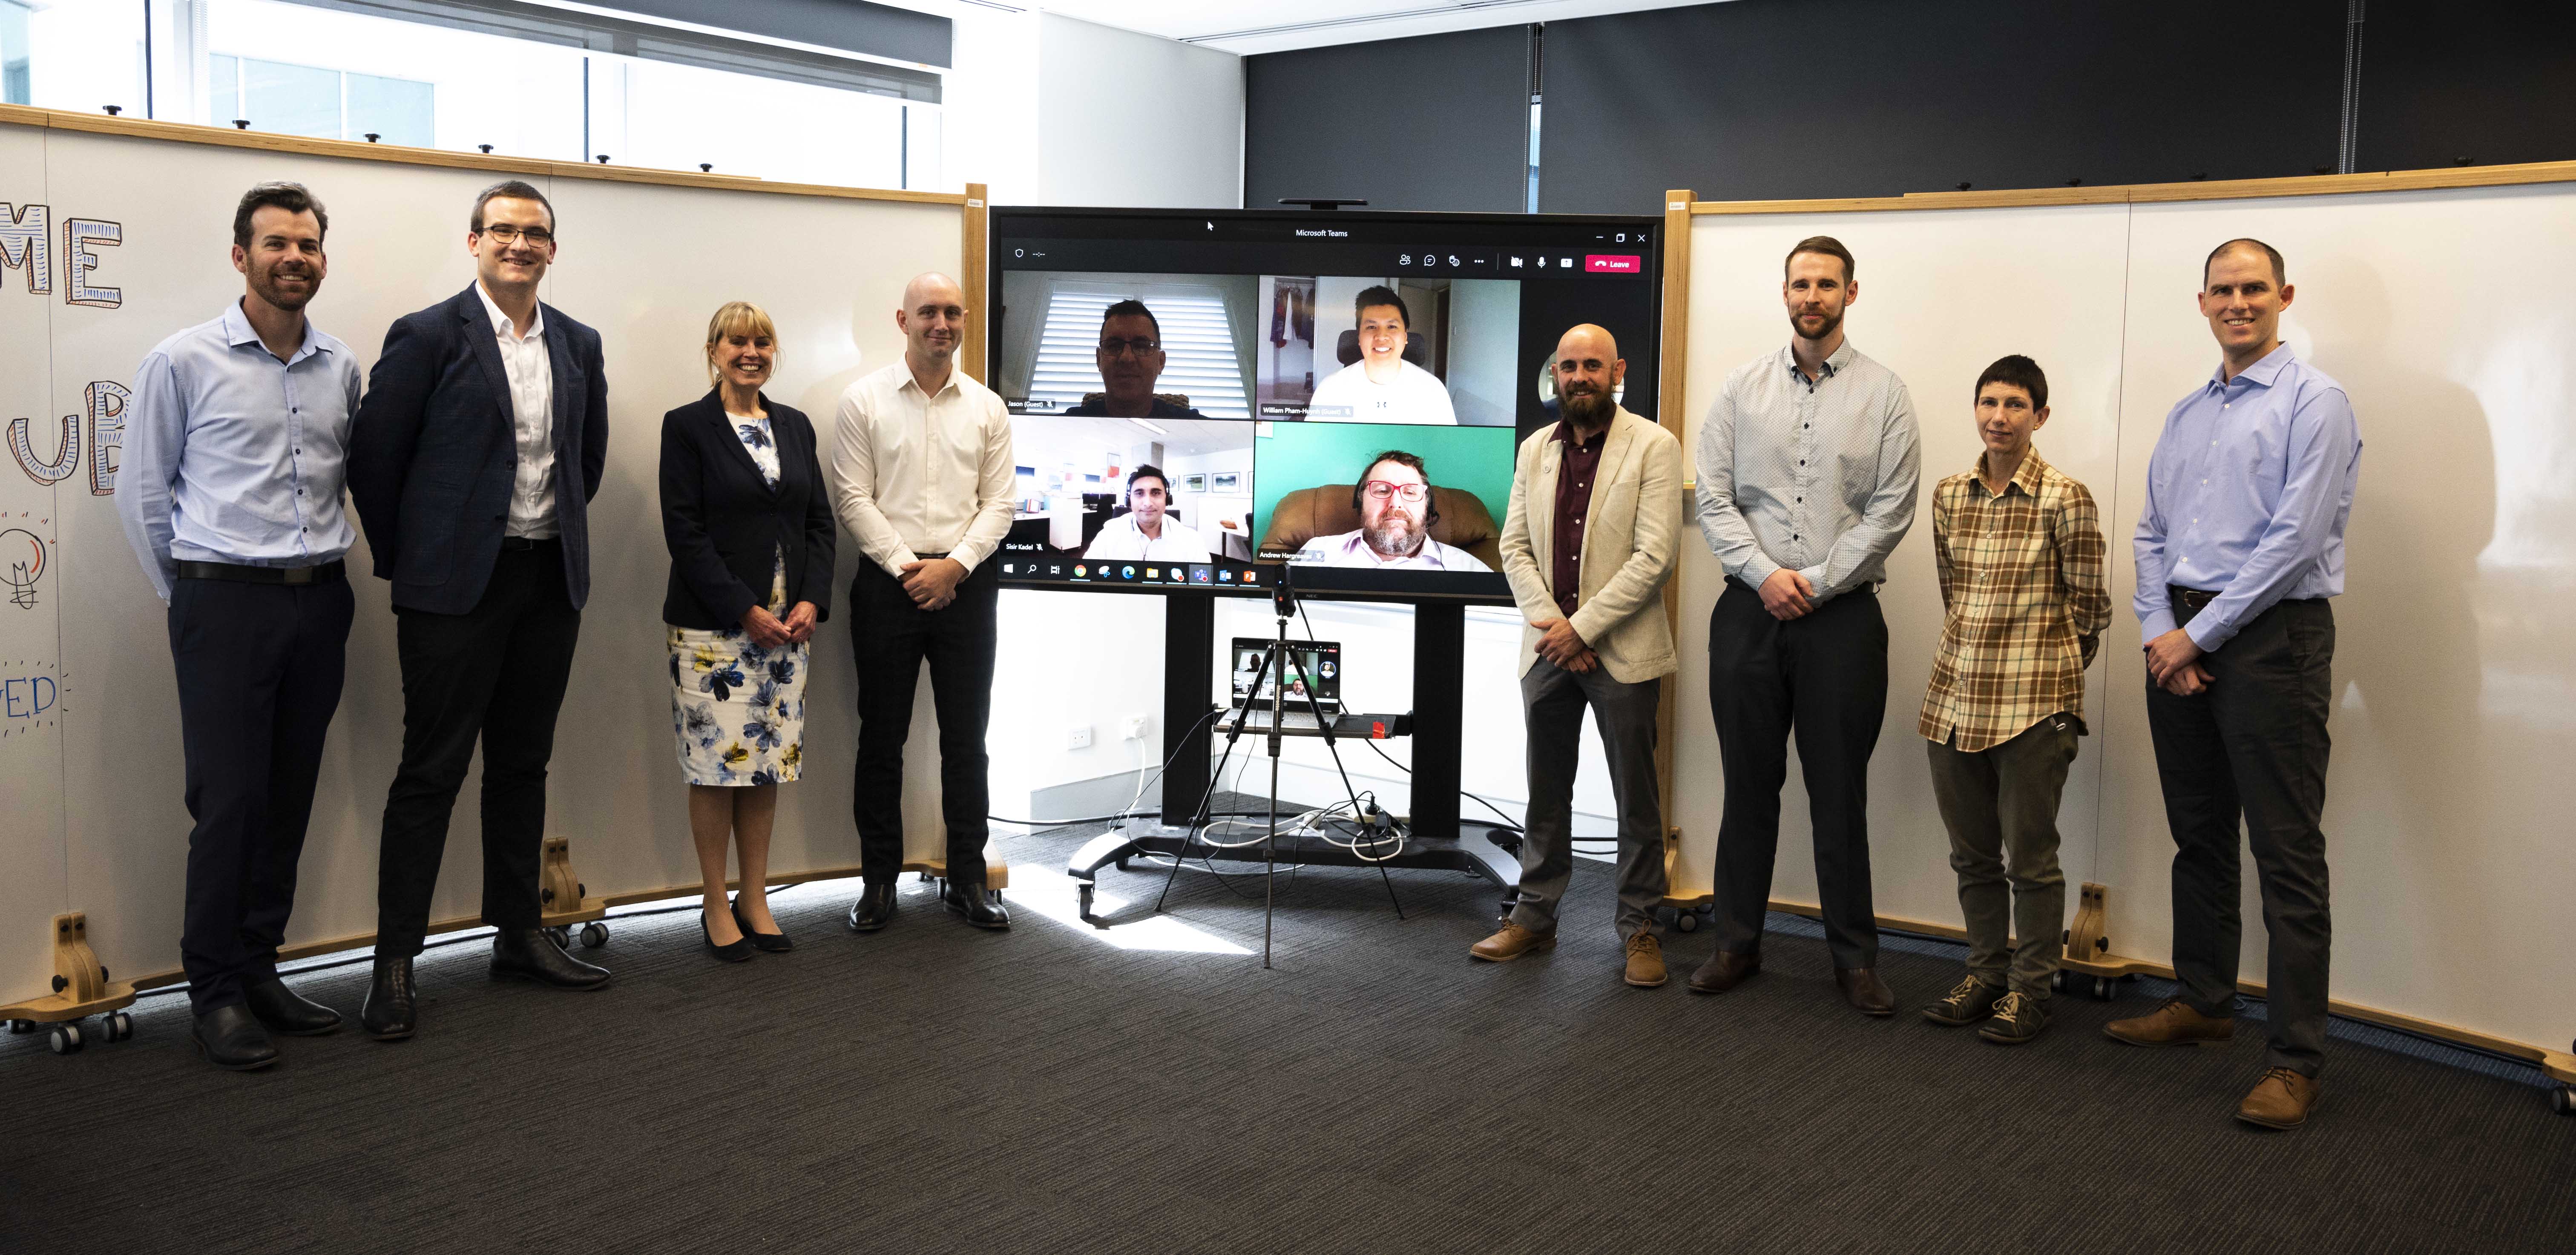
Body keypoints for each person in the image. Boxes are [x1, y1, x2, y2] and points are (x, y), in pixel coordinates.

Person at [347, 179, 613, 1040]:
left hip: (547, 582)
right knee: (431, 772)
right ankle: (394, 964)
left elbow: (587, 461)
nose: (519, 244)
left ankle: (519, 935)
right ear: (474, 242)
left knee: (523, 764)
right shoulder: (428, 336)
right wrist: (414, 561)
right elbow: (375, 462)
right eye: (503, 230)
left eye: (535, 233)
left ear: (552, 249)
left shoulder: (578, 343)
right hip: (453, 591)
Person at [2107, 238, 2361, 1130]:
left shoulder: (2314, 403)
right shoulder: (2187, 414)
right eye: (2223, 290)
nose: (2238, 302)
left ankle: (2295, 1060)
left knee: (2287, 855)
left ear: (2284, 295)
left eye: (2255, 289)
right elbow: (2149, 533)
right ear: (2203, 301)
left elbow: (2293, 544)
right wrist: (2156, 632)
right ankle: (2205, 1001)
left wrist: (2194, 637)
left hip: (2270, 641)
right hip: (2177, 634)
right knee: (2200, 832)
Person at [115, 182, 359, 1071]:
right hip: (222, 600)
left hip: (320, 600)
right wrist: (187, 599)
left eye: (308, 244)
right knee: (229, 804)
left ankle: (259, 969)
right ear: (240, 256)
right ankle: (213, 990)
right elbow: (143, 496)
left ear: (322, 258)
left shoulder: (341, 366)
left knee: (289, 793)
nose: (294, 257)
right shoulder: (181, 361)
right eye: (276, 244)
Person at [1690, 235, 1920, 1014]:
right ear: (1783, 292)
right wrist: (1765, 577)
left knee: (1837, 793)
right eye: (1799, 283)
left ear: (1850, 293)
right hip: (1747, 613)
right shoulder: (1738, 389)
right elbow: (1712, 499)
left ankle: (1854, 960)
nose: (1810, 296)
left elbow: (1890, 512)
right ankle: (1734, 943)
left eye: (1826, 284)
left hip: (1842, 620)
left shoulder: (1886, 395)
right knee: (1747, 788)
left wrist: (1814, 583)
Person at [1473, 325, 1683, 988]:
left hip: (1620, 652)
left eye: (1593, 364)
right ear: (1555, 373)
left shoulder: (1653, 444)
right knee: (1547, 793)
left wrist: (1582, 630)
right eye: (1569, 366)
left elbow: (1655, 555)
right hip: (1547, 653)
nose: (1580, 376)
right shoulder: (1536, 448)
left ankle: (1641, 926)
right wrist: (1556, 628)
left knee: (1636, 799)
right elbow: (1513, 548)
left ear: (1616, 370)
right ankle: (1534, 917)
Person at [1915, 356, 2109, 1045]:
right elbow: (1952, 592)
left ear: (2040, 417)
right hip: (1954, 697)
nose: (1999, 416)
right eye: (1988, 402)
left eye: (2015, 405)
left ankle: (2030, 990)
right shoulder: (1946, 495)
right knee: (1971, 857)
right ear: (1975, 409)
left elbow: (2091, 607)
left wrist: (2049, 664)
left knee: (2030, 859)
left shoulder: (2065, 497)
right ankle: (1985, 974)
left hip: (2032, 703)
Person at [830, 272, 1014, 932]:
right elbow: (853, 497)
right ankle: (878, 881)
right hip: (889, 581)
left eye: (952, 313)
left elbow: (1001, 504)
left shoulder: (988, 407)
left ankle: (968, 878)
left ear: (965, 321)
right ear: (902, 319)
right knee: (882, 737)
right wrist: (914, 570)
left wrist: (955, 567)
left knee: (968, 740)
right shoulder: (863, 401)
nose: (942, 323)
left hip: (967, 582)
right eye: (928, 312)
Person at [660, 302, 834, 962]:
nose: (751, 351)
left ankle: (755, 897)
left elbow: (819, 521)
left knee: (764, 769)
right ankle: (714, 900)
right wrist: (744, 608)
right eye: (737, 340)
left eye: (762, 340)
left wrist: (812, 599)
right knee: (714, 771)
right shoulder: (687, 427)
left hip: (788, 633)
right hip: (714, 631)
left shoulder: (794, 425)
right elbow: (686, 531)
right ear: (714, 350)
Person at [1293, 450, 1492, 572]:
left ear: (1428, 508)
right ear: (1360, 503)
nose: (1395, 503)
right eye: (1382, 490)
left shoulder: (1468, 569)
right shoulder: (1318, 552)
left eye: (1410, 492)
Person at [1305, 286, 1457, 424]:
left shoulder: (1432, 390)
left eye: (1392, 327)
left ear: (1405, 337)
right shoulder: (1331, 389)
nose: (1381, 336)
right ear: (1359, 337)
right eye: (1371, 327)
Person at [1064, 299, 1206, 419]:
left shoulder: (1196, 427)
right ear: (1099, 359)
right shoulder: (1064, 426)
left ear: (1161, 362)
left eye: (1142, 346)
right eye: (1114, 346)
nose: (1127, 358)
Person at [1083, 465, 1213, 561]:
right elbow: (1086, 580)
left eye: (1156, 493)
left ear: (1167, 499)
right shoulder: (1109, 534)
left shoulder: (1191, 540)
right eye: (1139, 493)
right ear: (1129, 500)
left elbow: (1203, 590)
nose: (1148, 503)